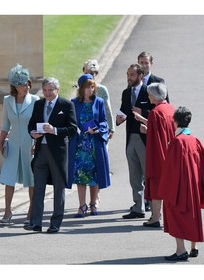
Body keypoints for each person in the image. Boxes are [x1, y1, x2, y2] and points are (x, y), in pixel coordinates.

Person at [158, 106, 204, 261]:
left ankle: (181, 251)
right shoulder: (194, 140)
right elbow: (203, 165)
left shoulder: (176, 142)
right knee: (193, 215)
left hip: (180, 187)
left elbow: (171, 169)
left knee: (175, 214)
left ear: (175, 122)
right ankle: (194, 248)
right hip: (193, 185)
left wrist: (166, 190)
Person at [24, 77, 77, 233]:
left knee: (58, 189)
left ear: (57, 90)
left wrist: (54, 130)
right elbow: (31, 124)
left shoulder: (66, 105)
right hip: (40, 152)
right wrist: (32, 133)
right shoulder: (39, 104)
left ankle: (55, 223)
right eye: (45, 90)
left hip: (58, 153)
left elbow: (73, 129)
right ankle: (36, 223)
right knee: (38, 188)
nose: (47, 93)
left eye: (50, 90)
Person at [0, 64, 40, 225]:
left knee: (31, 178)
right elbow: (5, 125)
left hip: (30, 143)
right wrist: (1, 142)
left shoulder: (35, 100)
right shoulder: (7, 101)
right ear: (15, 86)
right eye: (23, 84)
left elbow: (38, 124)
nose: (26, 86)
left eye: (28, 83)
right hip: (13, 143)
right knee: (9, 178)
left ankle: (31, 210)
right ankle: (7, 211)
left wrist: (37, 143)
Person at [133, 82, 176, 227]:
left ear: (154, 95)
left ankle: (155, 217)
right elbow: (163, 129)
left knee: (157, 187)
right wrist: (144, 120)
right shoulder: (170, 109)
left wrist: (146, 130)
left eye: (150, 94)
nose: (148, 96)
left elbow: (157, 135)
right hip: (171, 154)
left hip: (159, 156)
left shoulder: (156, 112)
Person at [68, 74, 111, 218]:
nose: (91, 90)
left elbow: (104, 121)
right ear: (81, 88)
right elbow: (70, 123)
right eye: (88, 87)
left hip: (94, 144)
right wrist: (79, 130)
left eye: (93, 87)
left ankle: (93, 204)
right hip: (80, 145)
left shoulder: (98, 102)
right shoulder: (74, 103)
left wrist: (98, 129)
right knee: (80, 176)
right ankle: (81, 205)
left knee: (94, 175)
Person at [116, 64, 153, 219]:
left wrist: (143, 112)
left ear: (140, 75)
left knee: (148, 174)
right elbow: (123, 110)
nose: (129, 77)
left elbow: (158, 114)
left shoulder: (149, 92)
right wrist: (118, 120)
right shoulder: (126, 93)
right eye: (127, 74)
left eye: (132, 75)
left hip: (144, 139)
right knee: (134, 175)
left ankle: (152, 204)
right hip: (130, 138)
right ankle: (138, 207)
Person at [137, 51, 169, 212]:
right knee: (139, 171)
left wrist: (143, 114)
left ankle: (152, 204)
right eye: (141, 63)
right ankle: (141, 202)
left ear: (151, 64)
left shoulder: (158, 82)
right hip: (137, 133)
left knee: (153, 171)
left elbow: (165, 108)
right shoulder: (134, 80)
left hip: (153, 132)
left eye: (146, 63)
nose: (143, 65)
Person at [83, 59, 115, 140]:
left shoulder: (102, 89)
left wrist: (111, 128)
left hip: (100, 129)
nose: (89, 76)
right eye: (86, 73)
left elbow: (107, 109)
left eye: (91, 74)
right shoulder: (79, 90)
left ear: (96, 74)